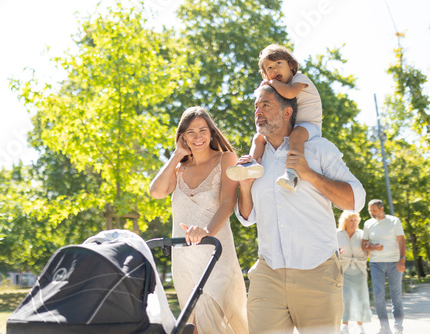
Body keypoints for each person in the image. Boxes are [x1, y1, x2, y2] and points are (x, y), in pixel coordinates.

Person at [235, 84, 366, 334]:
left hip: (318, 273)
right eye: (256, 107)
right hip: (268, 273)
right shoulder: (255, 160)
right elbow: (246, 218)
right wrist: (245, 186)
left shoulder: (317, 149)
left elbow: (355, 200)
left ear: (286, 113)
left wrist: (308, 174)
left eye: (266, 105)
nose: (258, 112)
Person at [149, 106, 248, 334]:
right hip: (183, 260)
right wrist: (176, 156)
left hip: (214, 255)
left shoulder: (227, 159)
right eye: (191, 132)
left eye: (202, 130)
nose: (198, 137)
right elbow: (155, 192)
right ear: (182, 137)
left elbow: (227, 203)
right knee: (191, 326)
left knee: (216, 324)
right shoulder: (179, 168)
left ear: (211, 133)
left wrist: (206, 231)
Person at [227, 44, 322, 192]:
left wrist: (271, 82)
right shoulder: (278, 86)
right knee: (259, 137)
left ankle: (292, 173)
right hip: (291, 124)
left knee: (296, 136)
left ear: (291, 65)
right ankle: (251, 165)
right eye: (269, 68)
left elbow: (290, 93)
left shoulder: (300, 79)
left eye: (278, 63)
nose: (275, 69)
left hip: (309, 125)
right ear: (265, 74)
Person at [362, 199, 406, 334]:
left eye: (374, 210)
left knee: (396, 295)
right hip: (376, 264)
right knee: (378, 295)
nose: (371, 213)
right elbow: (364, 244)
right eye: (370, 210)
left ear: (382, 209)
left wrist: (402, 260)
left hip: (394, 263)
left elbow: (402, 242)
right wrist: (373, 247)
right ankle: (385, 328)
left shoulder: (394, 221)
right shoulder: (368, 224)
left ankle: (398, 327)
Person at [337, 211, 372, 334]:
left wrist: (369, 248)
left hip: (359, 269)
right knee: (345, 297)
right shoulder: (337, 234)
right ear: (345, 221)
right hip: (344, 269)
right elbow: (331, 250)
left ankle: (359, 325)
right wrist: (337, 252)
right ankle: (344, 324)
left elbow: (368, 252)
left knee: (361, 297)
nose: (354, 223)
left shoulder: (362, 234)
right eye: (351, 220)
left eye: (356, 220)